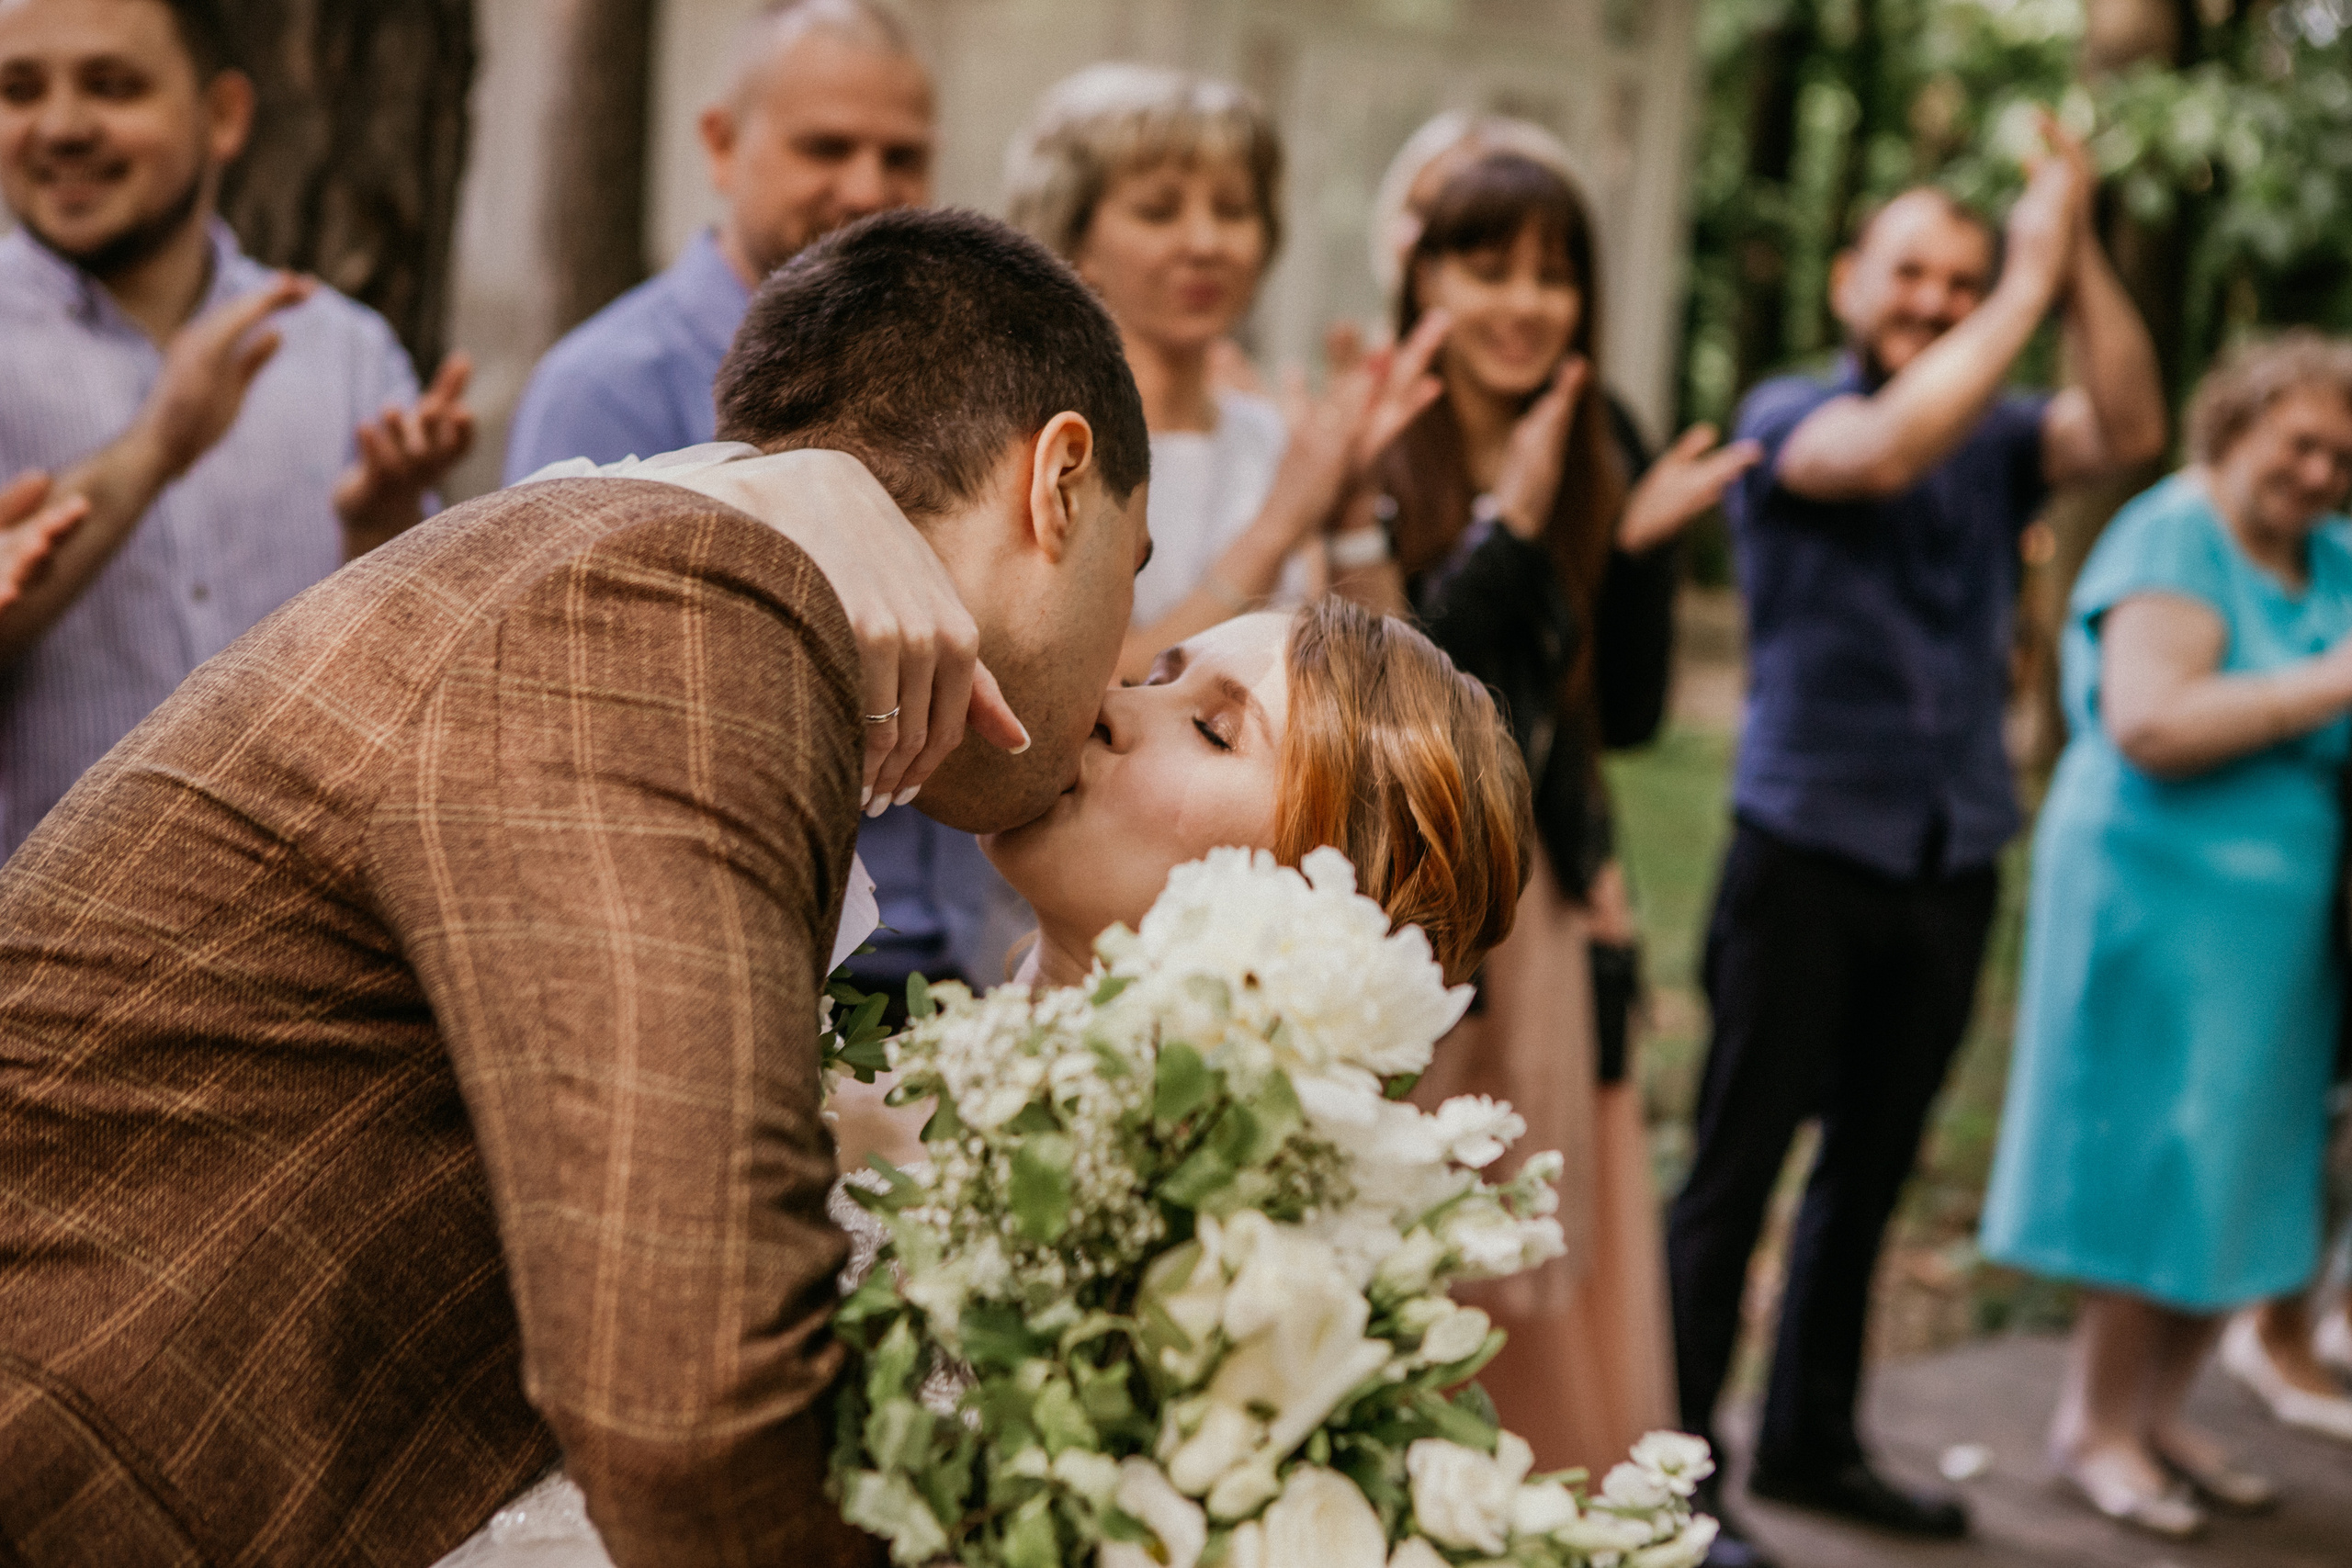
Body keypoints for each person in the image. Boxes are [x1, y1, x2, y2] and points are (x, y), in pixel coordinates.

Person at [0, 208, 1149, 1566]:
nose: (1128, 673)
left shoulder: (636, 562)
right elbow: (692, 1392)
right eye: (1132, 577)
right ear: (1059, 480)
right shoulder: (677, 601)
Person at [1665, 116, 2168, 1560]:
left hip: (1951, 858)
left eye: (1965, 279)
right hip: (1804, 846)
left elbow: (2129, 427)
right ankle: (1676, 1474)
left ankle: (1816, 1440)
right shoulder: (1785, 414)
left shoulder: (2004, 437)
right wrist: (2022, 282)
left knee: (1869, 1171)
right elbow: (1879, 454)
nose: (1940, 301)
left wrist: (2071, 262)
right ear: (1846, 282)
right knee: (1734, 1171)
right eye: (1914, 275)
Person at [1332, 142, 1758, 1482]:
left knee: (1551, 1225)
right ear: (1424, 274)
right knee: (1428, 1229)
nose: (1525, 301)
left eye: (1554, 271)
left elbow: (1617, 719)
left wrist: (1629, 556)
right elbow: (1407, 712)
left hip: (1559, 901)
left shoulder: (1600, 432)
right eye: (1487, 263)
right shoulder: (1377, 442)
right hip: (1422, 910)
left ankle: (1565, 1494)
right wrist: (1512, 532)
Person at [503, 0, 1004, 1004]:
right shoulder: (604, 384)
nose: (866, 189)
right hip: (732, 963)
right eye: (827, 146)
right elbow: (557, 711)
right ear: (722, 144)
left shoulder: (969, 375)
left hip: (956, 954)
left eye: (900, 157)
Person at [1980, 333, 2352, 1538]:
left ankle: (2166, 1411)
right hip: (2153, 903)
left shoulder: (2332, 557)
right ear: (2235, 422)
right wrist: (2334, 682)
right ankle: (2095, 1422)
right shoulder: (2171, 533)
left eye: (2342, 457)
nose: (2318, 471)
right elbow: (2150, 719)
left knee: (2243, 1165)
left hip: (2279, 934)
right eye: (2300, 441)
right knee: (2154, 1156)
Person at [0, 0, 474, 854]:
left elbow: (417, 701)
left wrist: (382, 532)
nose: (62, 127)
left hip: (287, 944)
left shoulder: (344, 351)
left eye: (113, 86)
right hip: (36, 949)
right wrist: (156, 448)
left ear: (223, 117)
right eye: (18, 90)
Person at [1004, 63, 1443, 683]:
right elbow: (1093, 682)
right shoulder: (1047, 441)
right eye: (1159, 212)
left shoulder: (1269, 437)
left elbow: (1383, 689)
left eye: (1234, 209)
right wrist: (1280, 523)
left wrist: (1354, 505)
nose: (1206, 242)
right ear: (1074, 241)